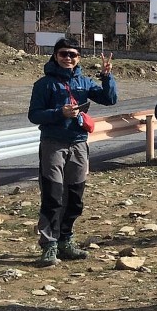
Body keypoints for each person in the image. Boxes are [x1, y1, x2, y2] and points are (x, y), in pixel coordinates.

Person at [27, 38, 117, 267]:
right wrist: (59, 113)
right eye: (63, 54)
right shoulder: (44, 84)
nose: (68, 58)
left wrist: (107, 77)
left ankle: (66, 240)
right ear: (55, 56)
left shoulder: (84, 82)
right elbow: (34, 115)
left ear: (78, 58)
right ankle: (49, 244)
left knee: (75, 196)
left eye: (73, 55)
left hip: (78, 143)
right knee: (52, 194)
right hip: (53, 143)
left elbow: (110, 99)